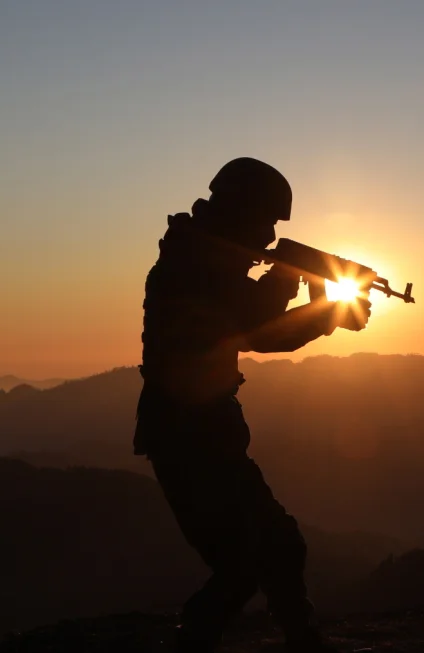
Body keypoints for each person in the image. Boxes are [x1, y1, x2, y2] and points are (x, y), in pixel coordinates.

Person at [134, 157, 371, 653]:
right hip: (188, 435)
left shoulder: (198, 256)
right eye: (266, 222)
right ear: (239, 212)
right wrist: (315, 296)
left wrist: (320, 300)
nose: (269, 236)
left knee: (267, 549)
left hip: (202, 431)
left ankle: (291, 638)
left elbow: (262, 326)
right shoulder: (193, 266)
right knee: (255, 555)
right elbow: (259, 327)